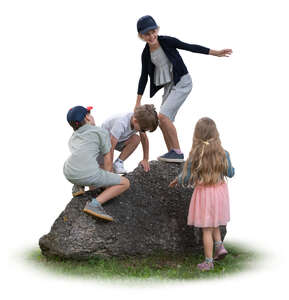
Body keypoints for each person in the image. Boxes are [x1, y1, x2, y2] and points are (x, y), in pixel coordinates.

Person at [135, 15, 232, 162]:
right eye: (147, 34)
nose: (151, 36)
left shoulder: (167, 41)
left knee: (163, 116)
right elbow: (143, 77)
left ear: (157, 30)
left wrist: (216, 53)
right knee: (161, 120)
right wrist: (138, 101)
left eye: (153, 32)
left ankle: (177, 152)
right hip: (169, 86)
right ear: (142, 36)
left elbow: (190, 47)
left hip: (182, 82)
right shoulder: (145, 54)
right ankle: (171, 153)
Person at [169, 117, 235, 271]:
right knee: (215, 221)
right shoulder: (223, 153)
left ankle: (208, 262)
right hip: (219, 193)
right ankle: (219, 247)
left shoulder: (196, 154)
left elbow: (186, 176)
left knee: (206, 228)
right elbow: (230, 173)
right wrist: (231, 168)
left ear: (197, 134)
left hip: (204, 194)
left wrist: (177, 180)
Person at [63, 106, 130, 222]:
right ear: (88, 117)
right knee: (125, 183)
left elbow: (81, 155)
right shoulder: (100, 132)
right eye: (90, 113)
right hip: (87, 173)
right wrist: (108, 179)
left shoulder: (73, 137)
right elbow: (108, 157)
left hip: (68, 171)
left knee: (82, 162)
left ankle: (78, 185)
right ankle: (94, 205)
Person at [101, 104, 158, 174]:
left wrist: (145, 159)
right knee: (103, 169)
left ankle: (118, 162)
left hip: (118, 140)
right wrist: (109, 168)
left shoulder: (139, 121)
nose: (143, 132)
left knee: (136, 139)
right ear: (135, 121)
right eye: (143, 130)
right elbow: (110, 148)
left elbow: (144, 139)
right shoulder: (121, 123)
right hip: (103, 142)